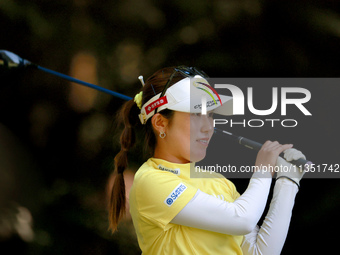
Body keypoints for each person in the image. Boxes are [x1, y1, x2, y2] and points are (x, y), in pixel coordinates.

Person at [108, 66, 306, 254]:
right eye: (196, 114)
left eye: (210, 115)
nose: (208, 127)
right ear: (160, 123)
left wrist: (288, 181)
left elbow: (261, 252)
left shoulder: (219, 183)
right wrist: (263, 170)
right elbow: (243, 219)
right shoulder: (150, 180)